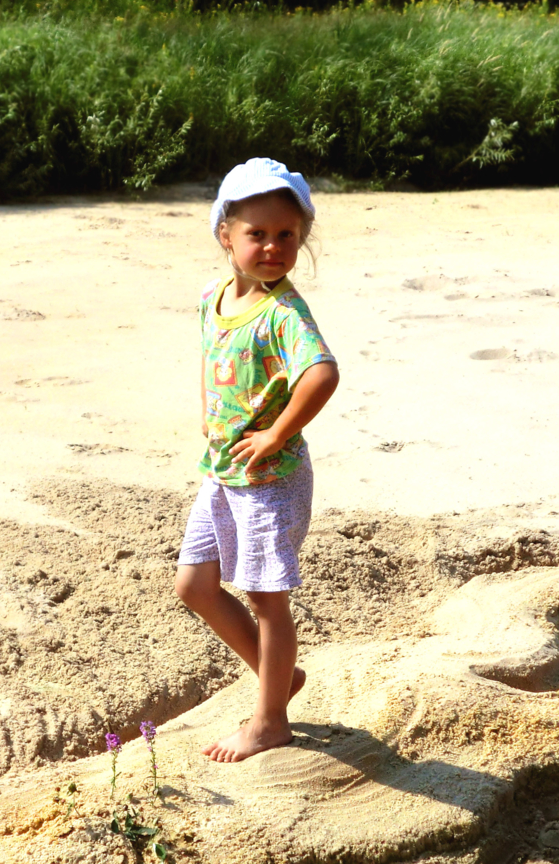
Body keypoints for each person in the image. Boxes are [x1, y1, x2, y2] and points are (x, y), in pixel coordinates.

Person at [173, 158, 340, 763]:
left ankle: (270, 720)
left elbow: (322, 373)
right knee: (194, 584)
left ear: (301, 237)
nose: (272, 246)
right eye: (257, 234)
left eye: (287, 235)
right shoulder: (213, 298)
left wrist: (276, 434)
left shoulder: (283, 313)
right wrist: (209, 416)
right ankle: (281, 679)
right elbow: (213, 362)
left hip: (270, 478)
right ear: (226, 235)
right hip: (223, 472)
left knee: (266, 598)